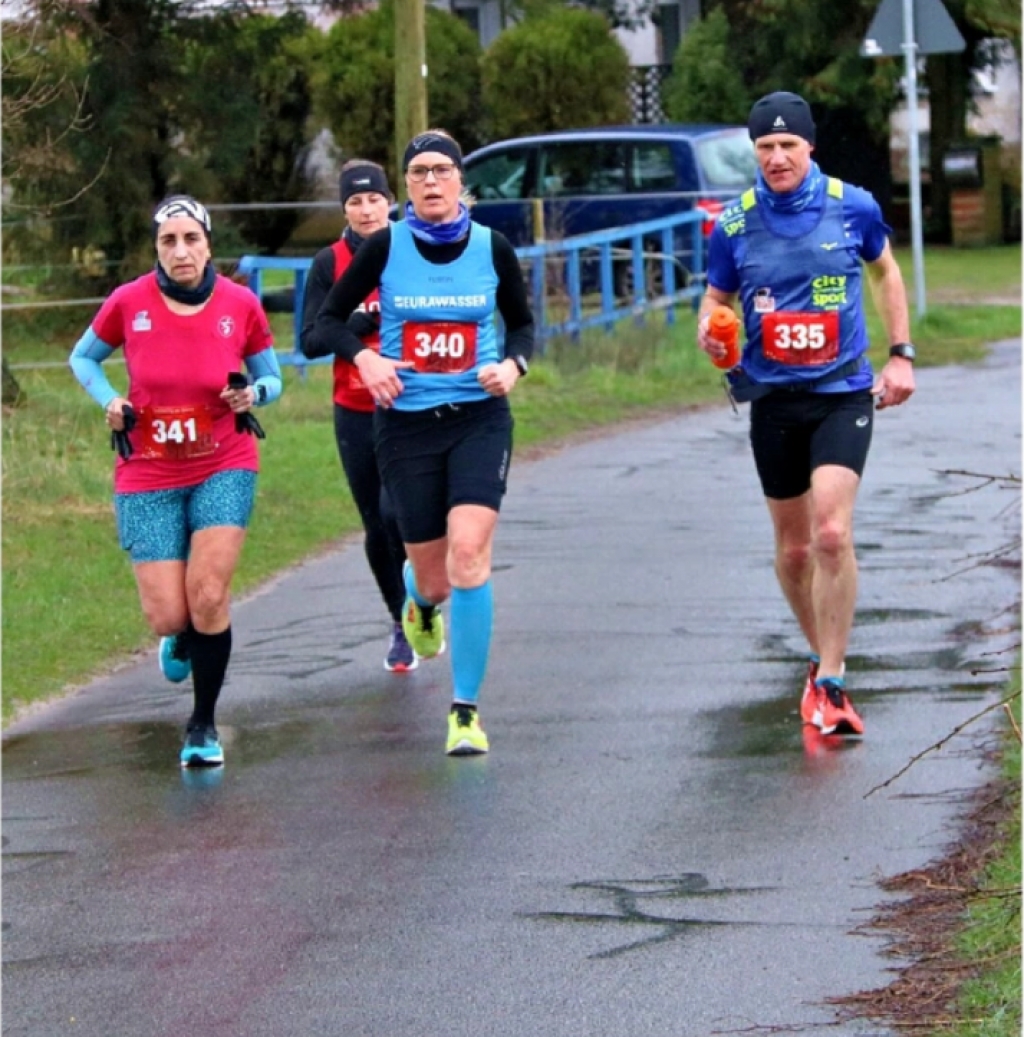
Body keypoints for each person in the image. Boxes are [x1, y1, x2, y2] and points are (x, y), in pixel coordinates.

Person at [697, 92, 915, 737]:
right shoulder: (734, 225)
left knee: (829, 533)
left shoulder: (853, 206)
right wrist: (712, 337)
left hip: (842, 392)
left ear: (809, 147)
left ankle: (833, 678)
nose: (777, 157)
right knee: (793, 550)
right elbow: (714, 303)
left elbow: (885, 272)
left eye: (788, 146)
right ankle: (820, 658)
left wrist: (900, 354)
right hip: (772, 400)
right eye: (765, 147)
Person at [311, 129, 535, 755]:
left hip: (478, 419)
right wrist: (366, 358)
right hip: (405, 424)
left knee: (471, 557)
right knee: (434, 581)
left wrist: (513, 366)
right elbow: (326, 321)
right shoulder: (385, 247)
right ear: (405, 188)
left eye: (442, 170)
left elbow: (521, 325)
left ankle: (464, 711)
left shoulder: (493, 248)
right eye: (418, 174)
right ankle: (418, 601)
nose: (431, 182)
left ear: (462, 180)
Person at [68, 194, 283, 768]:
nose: (181, 251)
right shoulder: (128, 302)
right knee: (169, 613)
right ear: (157, 249)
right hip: (148, 468)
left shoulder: (239, 304)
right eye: (169, 241)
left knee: (208, 593)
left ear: (209, 243)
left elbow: (274, 377)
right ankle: (179, 634)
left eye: (191, 239)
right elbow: (82, 359)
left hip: (224, 459)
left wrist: (252, 394)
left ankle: (202, 725)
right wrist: (110, 400)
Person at [300, 160, 416, 672]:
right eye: (355, 202)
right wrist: (361, 319)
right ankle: (401, 621)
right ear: (344, 208)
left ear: (390, 201)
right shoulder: (330, 262)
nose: (366, 210)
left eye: (374, 199)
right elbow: (308, 341)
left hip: (413, 403)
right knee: (375, 521)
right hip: (354, 407)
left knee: (401, 514)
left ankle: (424, 595)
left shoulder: (413, 248)